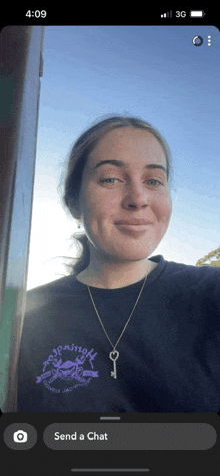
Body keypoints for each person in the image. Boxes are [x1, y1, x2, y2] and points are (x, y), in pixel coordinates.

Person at [17, 116, 220, 412]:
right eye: (110, 179)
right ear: (74, 202)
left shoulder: (210, 294)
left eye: (153, 181)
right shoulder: (22, 318)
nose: (138, 199)